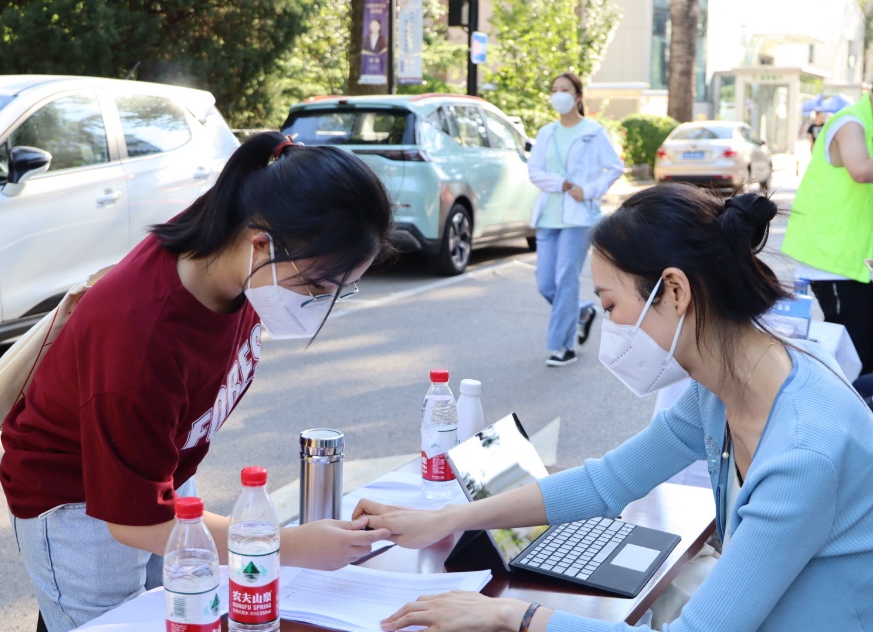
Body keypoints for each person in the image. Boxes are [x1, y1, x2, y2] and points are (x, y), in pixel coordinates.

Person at [355, 184, 873, 631]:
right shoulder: (727, 388)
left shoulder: (804, 451)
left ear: (674, 290)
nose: (611, 328)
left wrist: (512, 615)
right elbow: (606, 482)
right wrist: (448, 518)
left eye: (610, 306)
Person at [0, 132, 394, 632]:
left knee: (179, 612)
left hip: (156, 472)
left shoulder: (231, 255)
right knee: (113, 624)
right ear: (260, 243)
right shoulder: (139, 334)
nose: (320, 304)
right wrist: (287, 545)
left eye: (341, 290)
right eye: (316, 286)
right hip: (78, 504)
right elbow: (135, 521)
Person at [528, 72, 623, 367]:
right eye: (555, 89)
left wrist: (589, 190)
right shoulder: (546, 133)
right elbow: (534, 172)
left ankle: (563, 346)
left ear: (578, 96)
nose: (559, 94)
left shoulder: (592, 132)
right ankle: (582, 311)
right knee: (546, 284)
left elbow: (615, 167)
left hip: (579, 217)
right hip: (549, 215)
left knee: (565, 279)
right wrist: (562, 184)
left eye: (565, 89)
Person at [783, 92, 873, 375]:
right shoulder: (851, 123)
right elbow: (860, 170)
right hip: (833, 263)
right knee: (858, 360)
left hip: (855, 262)